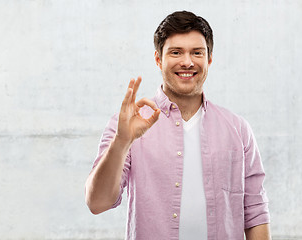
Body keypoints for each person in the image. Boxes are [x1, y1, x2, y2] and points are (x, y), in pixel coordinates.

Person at [85, 10, 270, 240]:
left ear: (209, 59)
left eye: (197, 52)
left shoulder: (238, 129)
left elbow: (255, 213)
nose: (187, 62)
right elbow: (97, 203)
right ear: (158, 59)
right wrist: (122, 141)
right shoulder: (126, 125)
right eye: (176, 52)